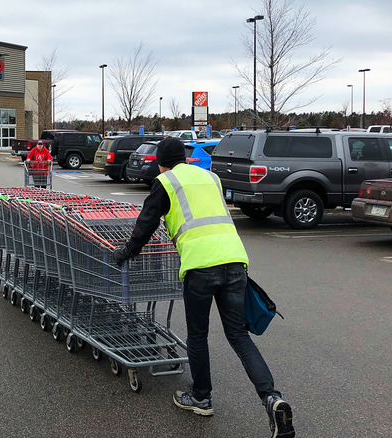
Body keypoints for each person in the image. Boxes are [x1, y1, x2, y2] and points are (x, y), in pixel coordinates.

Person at [112, 138, 294, 438]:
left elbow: (145, 224)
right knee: (238, 335)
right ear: (184, 157)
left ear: (161, 161)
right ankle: (272, 398)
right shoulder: (211, 176)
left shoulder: (165, 181)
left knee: (198, 335)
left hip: (200, 266)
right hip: (235, 260)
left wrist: (126, 252)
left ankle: (201, 397)